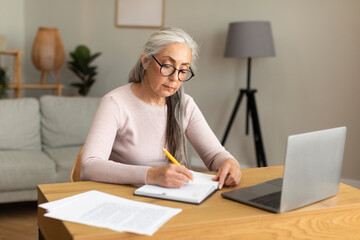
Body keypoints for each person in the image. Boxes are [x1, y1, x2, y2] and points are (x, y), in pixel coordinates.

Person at [81, 27, 241, 189]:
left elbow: (214, 155)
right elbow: (90, 166)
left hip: (170, 197)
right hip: (126, 196)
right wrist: (151, 175)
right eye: (167, 66)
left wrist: (229, 162)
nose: (174, 78)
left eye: (183, 70)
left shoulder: (185, 105)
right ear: (145, 61)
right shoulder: (115, 103)